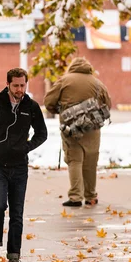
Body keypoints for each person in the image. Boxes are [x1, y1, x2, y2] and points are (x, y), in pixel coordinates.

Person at [0, 68, 48, 262]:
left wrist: (26, 147)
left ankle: (14, 256)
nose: (19, 89)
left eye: (22, 85)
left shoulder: (31, 107)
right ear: (8, 84)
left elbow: (42, 133)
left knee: (17, 213)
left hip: (19, 167)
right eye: (15, 85)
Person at [43, 57, 111, 208]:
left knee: (74, 160)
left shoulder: (64, 81)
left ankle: (75, 197)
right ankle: (91, 196)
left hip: (70, 128)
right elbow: (108, 104)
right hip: (92, 128)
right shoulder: (97, 83)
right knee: (90, 162)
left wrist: (60, 111)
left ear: (72, 67)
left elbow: (48, 102)